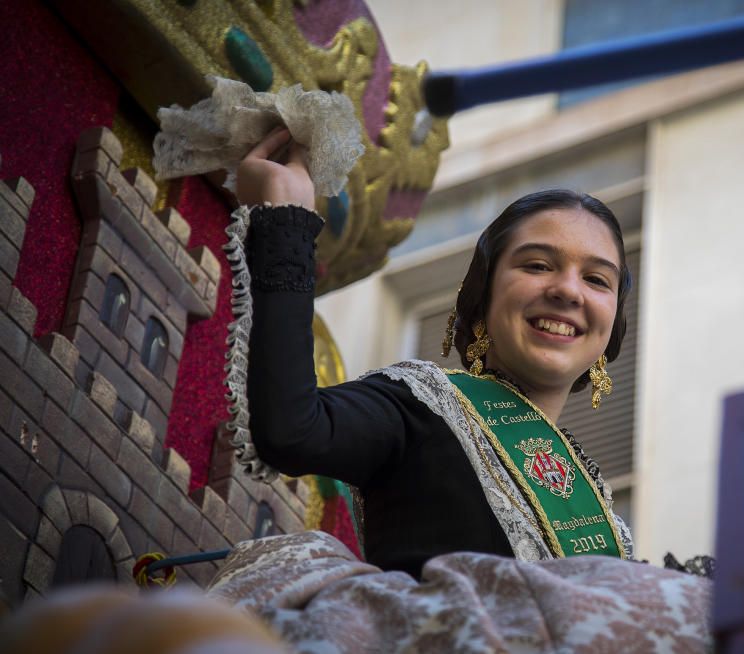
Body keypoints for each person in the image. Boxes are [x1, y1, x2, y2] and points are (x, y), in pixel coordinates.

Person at [232, 127, 635, 578]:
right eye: (537, 265)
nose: (567, 291)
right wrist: (287, 216)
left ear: (612, 324)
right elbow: (291, 431)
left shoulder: (609, 526)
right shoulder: (418, 406)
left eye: (597, 280)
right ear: (483, 296)